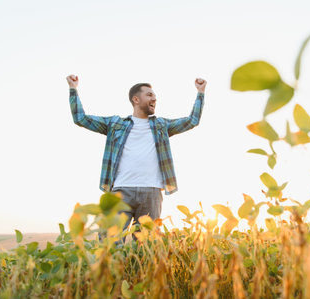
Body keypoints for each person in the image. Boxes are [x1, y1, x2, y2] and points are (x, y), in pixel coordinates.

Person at [66, 75, 206, 242]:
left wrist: (200, 93)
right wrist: (73, 89)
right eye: (149, 95)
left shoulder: (162, 125)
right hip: (120, 191)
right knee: (110, 243)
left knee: (146, 247)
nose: (154, 98)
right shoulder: (115, 124)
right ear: (136, 99)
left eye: (155, 96)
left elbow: (192, 121)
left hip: (151, 192)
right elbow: (81, 119)